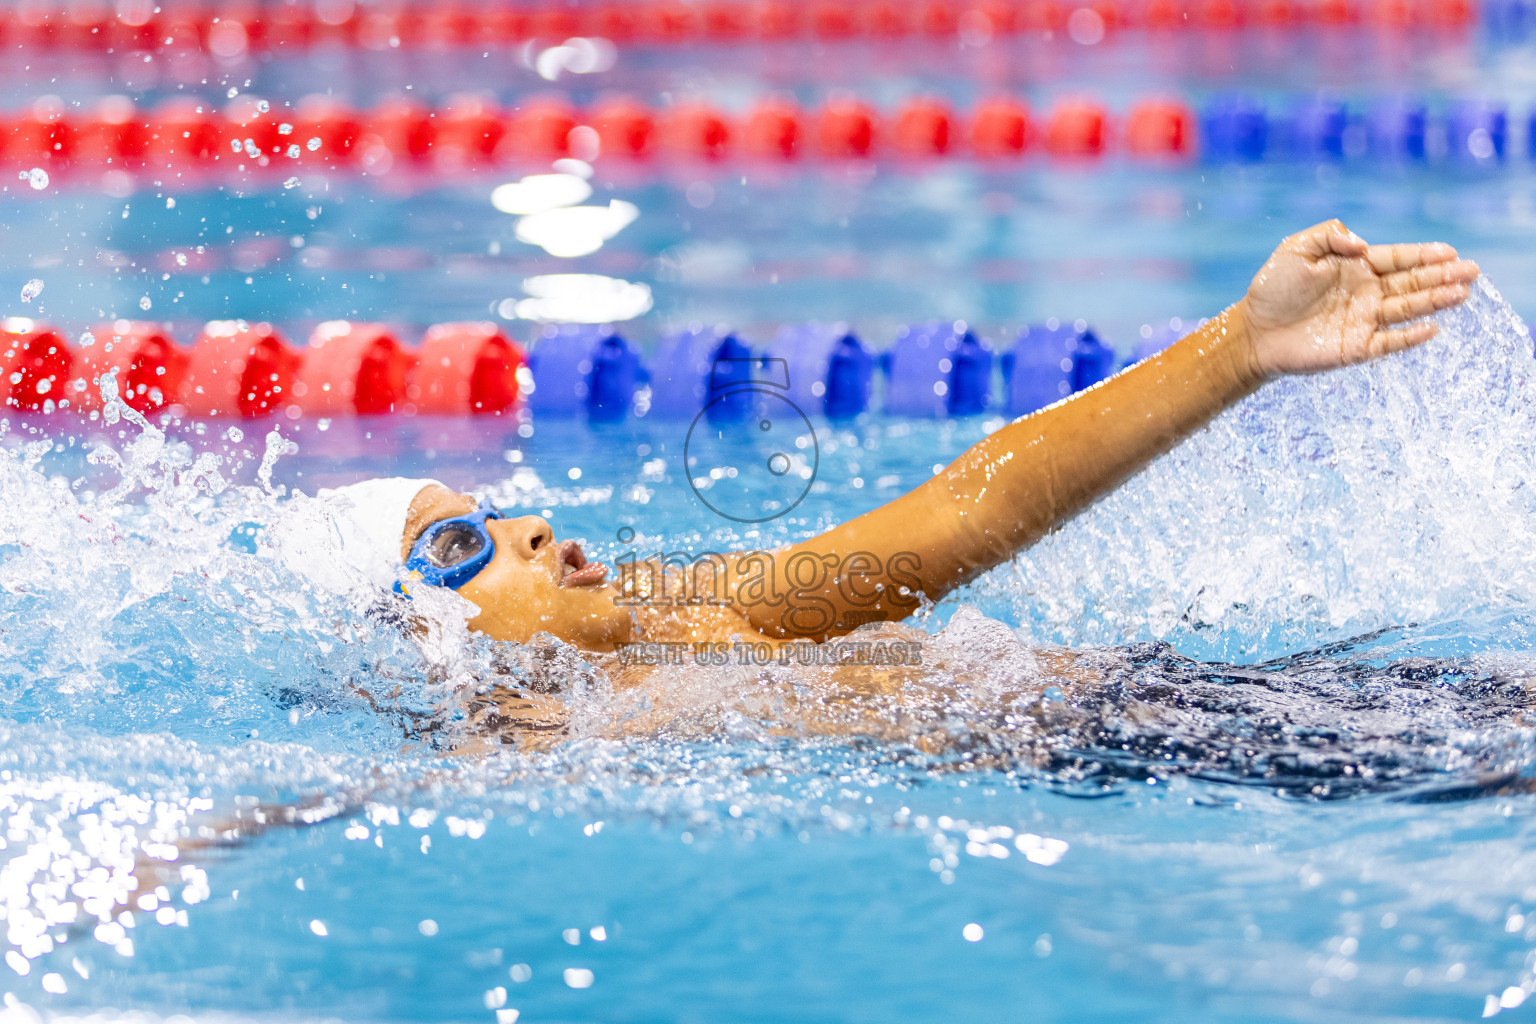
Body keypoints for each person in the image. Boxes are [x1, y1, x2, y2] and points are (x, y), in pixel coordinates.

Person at [274, 220, 1479, 746]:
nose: (529, 523)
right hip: (1161, 764)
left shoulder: (688, 615)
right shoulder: (518, 744)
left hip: (1203, 707)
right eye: (456, 546)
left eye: (491, 511)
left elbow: (970, 510)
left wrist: (1245, 346)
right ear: (416, 644)